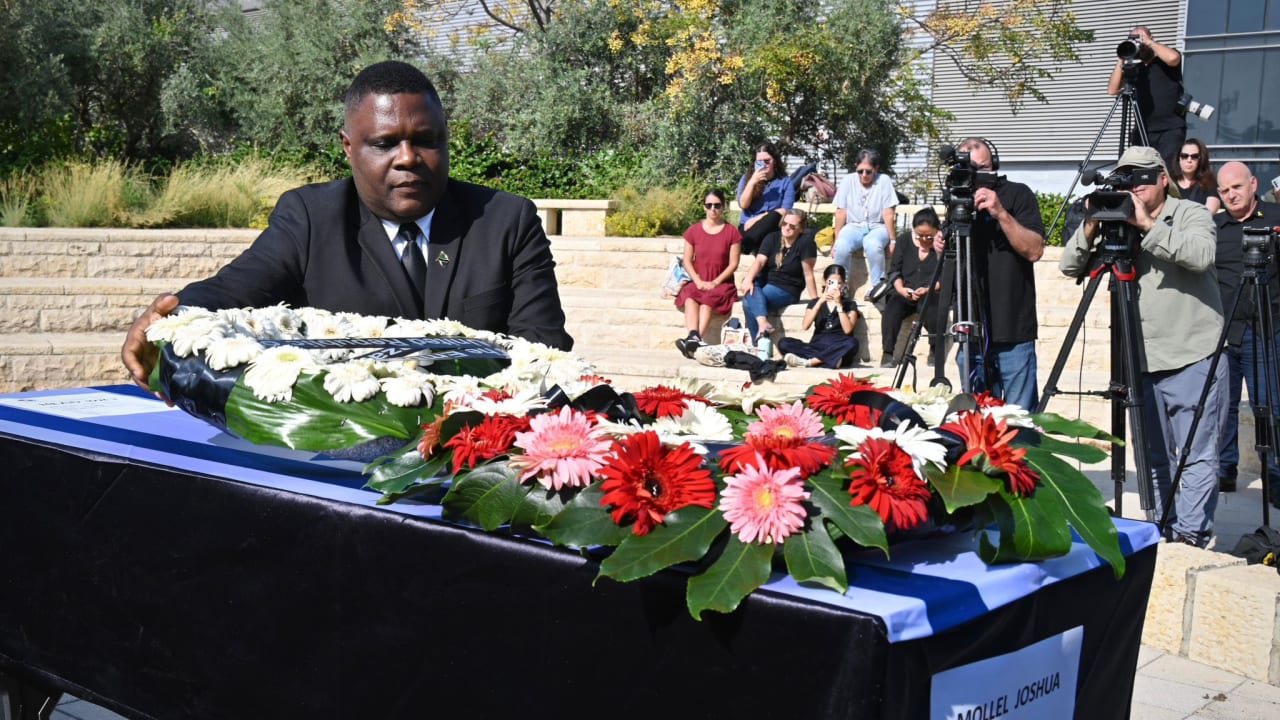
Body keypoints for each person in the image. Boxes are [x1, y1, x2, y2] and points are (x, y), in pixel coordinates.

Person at [121, 60, 573, 390]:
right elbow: (235, 288)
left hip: (472, 439)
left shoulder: (505, 221)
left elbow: (544, 347)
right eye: (384, 143)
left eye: (425, 141)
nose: (408, 158)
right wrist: (170, 317)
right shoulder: (310, 218)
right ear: (348, 146)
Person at [1061, 145, 1225, 547]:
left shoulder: (1190, 213)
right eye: (1126, 179)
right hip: (1141, 359)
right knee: (1152, 455)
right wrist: (1091, 223)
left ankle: (1190, 535)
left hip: (1191, 352)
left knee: (1194, 454)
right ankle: (1161, 524)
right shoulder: (1116, 220)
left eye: (1143, 179)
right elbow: (1069, 266)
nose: (1135, 187)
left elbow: (1201, 255)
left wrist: (1147, 224)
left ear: (1163, 180)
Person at [940, 137, 1045, 410]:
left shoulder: (1017, 194)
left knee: (1020, 423)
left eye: (984, 168)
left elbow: (1034, 250)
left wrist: (1001, 213)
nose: (979, 178)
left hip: (1012, 333)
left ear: (994, 165)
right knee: (975, 422)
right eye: (971, 171)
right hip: (969, 330)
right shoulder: (956, 201)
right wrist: (943, 244)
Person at [1213, 161, 1280, 501]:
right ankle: (1226, 470)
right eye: (1224, 191)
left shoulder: (1275, 217)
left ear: (1253, 184)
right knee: (1223, 408)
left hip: (1266, 330)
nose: (1231, 195)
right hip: (1224, 333)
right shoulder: (1216, 227)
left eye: (1236, 187)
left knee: (1268, 406)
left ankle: (1274, 475)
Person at [1108, 25, 1185, 173]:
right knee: (1140, 172)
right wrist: (1122, 58)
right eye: (1135, 40)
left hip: (1170, 129)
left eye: (1140, 38)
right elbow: (1113, 90)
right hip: (1143, 129)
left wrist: (1148, 42)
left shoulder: (1164, 60)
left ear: (1151, 38)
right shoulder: (1136, 68)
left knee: (1167, 172)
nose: (1139, 44)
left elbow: (1173, 58)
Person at [674, 189, 742, 358]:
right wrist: (697, 281)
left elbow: (733, 263)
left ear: (723, 207)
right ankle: (693, 337)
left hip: (721, 283)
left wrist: (715, 282)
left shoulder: (732, 232)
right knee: (690, 296)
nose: (713, 209)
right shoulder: (694, 231)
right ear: (704, 207)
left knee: (707, 301)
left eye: (717, 205)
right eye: (709, 205)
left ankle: (694, 341)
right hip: (699, 279)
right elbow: (688, 260)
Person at [736, 209, 818, 345]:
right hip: (766, 281)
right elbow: (760, 261)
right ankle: (763, 327)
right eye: (784, 223)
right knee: (749, 283)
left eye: (792, 226)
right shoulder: (772, 237)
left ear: (801, 229)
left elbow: (808, 274)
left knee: (747, 303)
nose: (787, 228)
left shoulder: (805, 243)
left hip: (788, 287)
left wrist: (815, 300)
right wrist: (749, 279)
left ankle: (758, 344)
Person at [882, 208, 944, 368]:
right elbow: (895, 270)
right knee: (892, 307)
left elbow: (946, 277)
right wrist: (902, 289)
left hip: (932, 291)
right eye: (920, 236)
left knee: (931, 307)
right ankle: (888, 353)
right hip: (906, 291)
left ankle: (935, 350)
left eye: (928, 236)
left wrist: (928, 289)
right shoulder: (904, 241)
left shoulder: (943, 245)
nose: (924, 239)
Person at [831, 148, 897, 298]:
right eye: (860, 171)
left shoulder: (884, 180)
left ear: (876, 169)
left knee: (872, 244)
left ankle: (878, 286)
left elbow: (888, 212)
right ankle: (841, 285)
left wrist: (893, 240)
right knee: (841, 246)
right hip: (853, 225)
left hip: (877, 226)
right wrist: (836, 240)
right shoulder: (848, 180)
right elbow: (841, 212)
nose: (864, 175)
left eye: (868, 171)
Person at [780, 264, 859, 369]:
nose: (835, 286)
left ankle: (810, 362)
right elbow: (805, 326)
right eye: (831, 282)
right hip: (817, 345)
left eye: (839, 283)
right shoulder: (815, 302)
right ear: (825, 282)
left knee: (852, 343)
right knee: (784, 343)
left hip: (839, 345)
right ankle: (829, 360)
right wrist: (820, 302)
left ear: (844, 284)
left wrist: (839, 305)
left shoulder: (849, 304)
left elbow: (848, 330)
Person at [735, 142, 795, 256]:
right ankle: (747, 248)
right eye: (759, 162)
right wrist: (752, 182)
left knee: (774, 216)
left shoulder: (785, 181)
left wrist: (759, 218)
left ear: (775, 161)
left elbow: (785, 210)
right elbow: (743, 205)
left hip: (771, 225)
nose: (763, 165)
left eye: (767, 161)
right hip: (748, 227)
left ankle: (744, 247)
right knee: (766, 241)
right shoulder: (747, 178)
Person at [1170, 138, 1221, 213]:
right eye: (1184, 156)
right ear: (1179, 158)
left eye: (1194, 156)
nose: (1189, 160)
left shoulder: (1210, 183)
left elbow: (1208, 213)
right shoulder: (1168, 182)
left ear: (1201, 159)